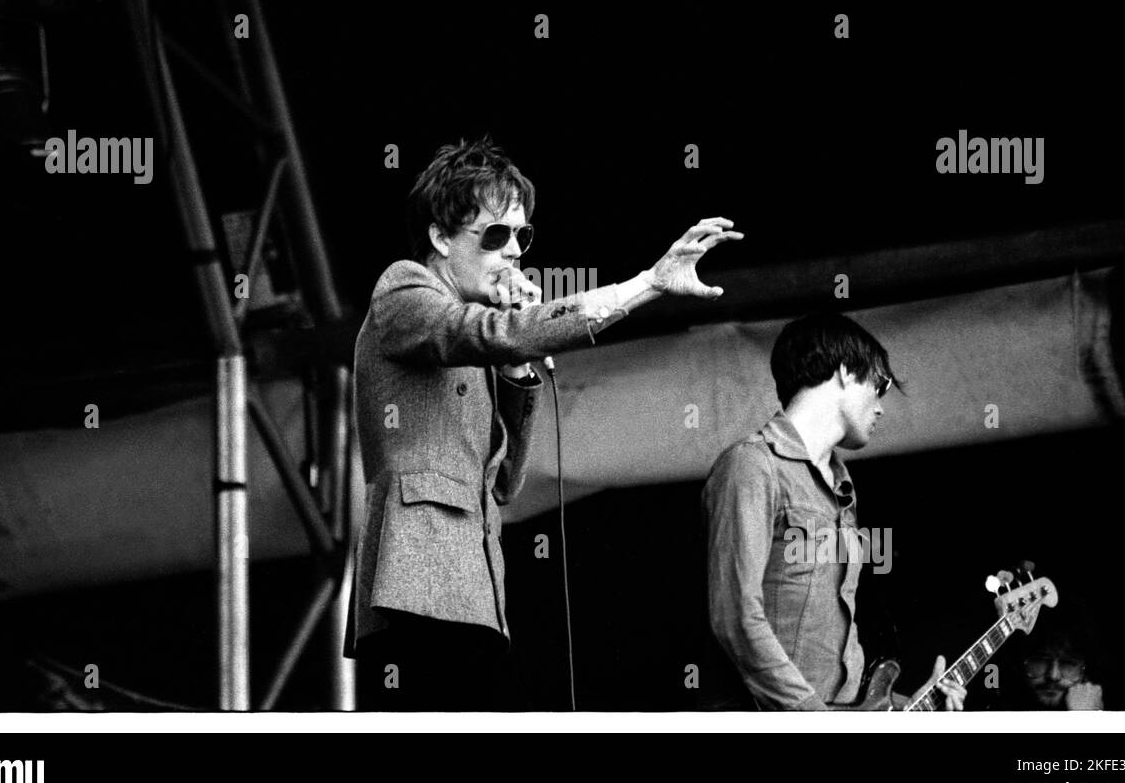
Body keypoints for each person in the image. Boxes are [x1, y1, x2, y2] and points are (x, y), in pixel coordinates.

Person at [346, 135, 742, 710]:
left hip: (477, 591)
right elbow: (484, 333)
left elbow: (506, 482)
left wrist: (518, 366)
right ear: (440, 237)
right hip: (414, 582)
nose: (513, 251)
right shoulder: (405, 287)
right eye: (495, 235)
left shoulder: (482, 341)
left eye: (522, 236)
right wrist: (647, 284)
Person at [703, 312, 966, 711]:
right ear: (844, 371)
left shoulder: (841, 484)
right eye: (880, 386)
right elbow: (736, 618)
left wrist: (907, 705)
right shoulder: (752, 466)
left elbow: (835, 655)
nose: (881, 408)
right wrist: (815, 718)